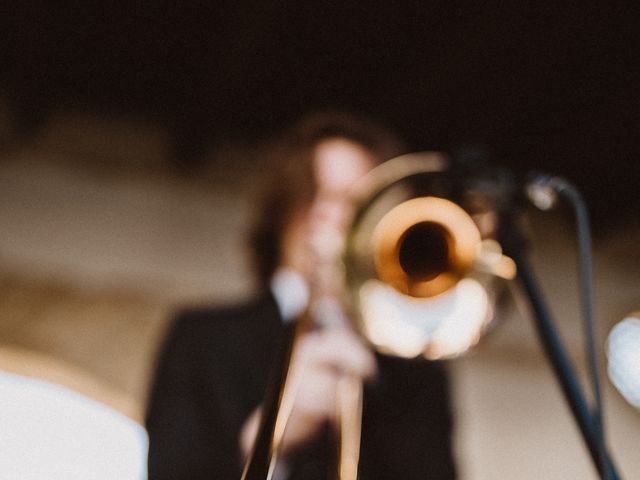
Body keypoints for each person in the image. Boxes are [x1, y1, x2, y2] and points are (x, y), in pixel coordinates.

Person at [145, 112, 457, 479]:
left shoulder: (416, 369)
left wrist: (375, 395)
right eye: (314, 195)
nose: (330, 216)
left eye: (357, 203)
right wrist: (271, 434)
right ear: (283, 207)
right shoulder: (203, 338)